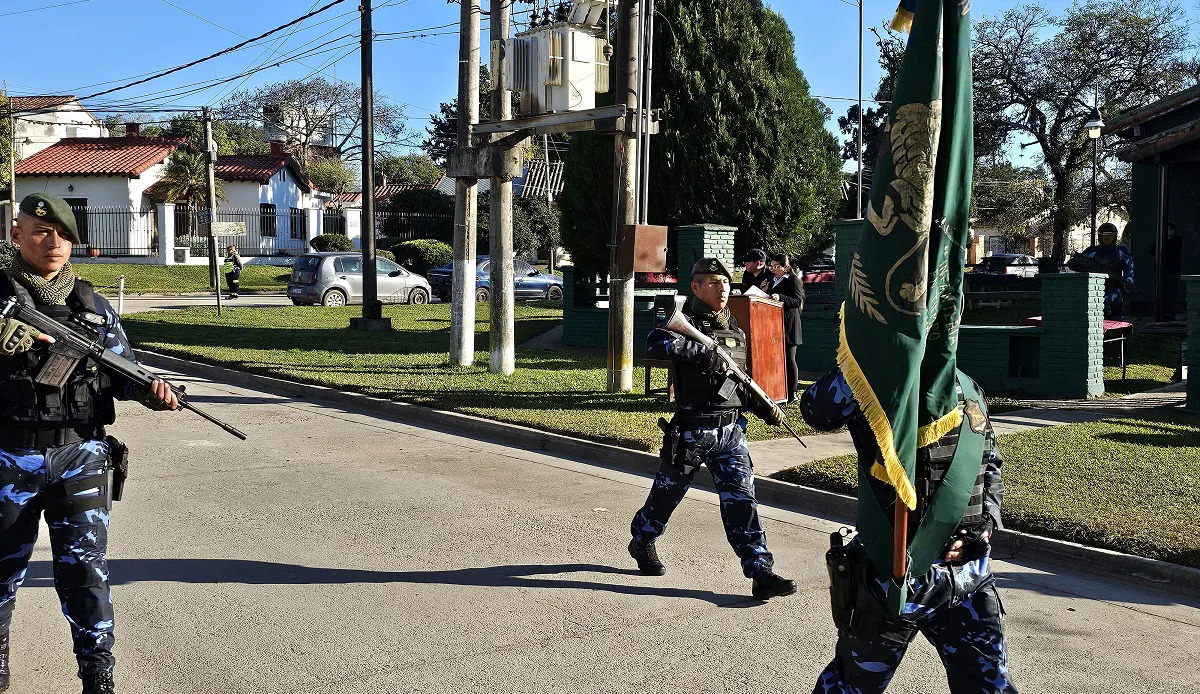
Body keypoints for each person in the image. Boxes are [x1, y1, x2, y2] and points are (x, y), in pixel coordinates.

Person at [0, 193, 181, 694]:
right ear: (17, 235)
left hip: (80, 458)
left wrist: (152, 392)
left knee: (86, 576)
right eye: (39, 230)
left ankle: (98, 677)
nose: (52, 241)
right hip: (8, 458)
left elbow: (121, 374)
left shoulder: (96, 308)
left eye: (61, 233)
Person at [800, 367, 1017, 694]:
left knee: (990, 688)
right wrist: (868, 357)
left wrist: (985, 523)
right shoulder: (872, 378)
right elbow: (815, 411)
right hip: (891, 578)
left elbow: (989, 464)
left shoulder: (968, 389)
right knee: (850, 688)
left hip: (967, 578)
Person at [628, 257, 796, 600]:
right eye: (714, 283)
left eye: (726, 284)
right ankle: (643, 540)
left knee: (742, 501)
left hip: (731, 432)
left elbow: (737, 382)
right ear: (696, 287)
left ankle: (760, 569)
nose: (723, 289)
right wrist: (699, 352)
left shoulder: (733, 329)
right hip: (692, 432)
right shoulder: (684, 322)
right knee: (666, 498)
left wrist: (763, 406)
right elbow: (654, 342)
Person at [766, 253, 804, 404]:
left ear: (786, 267)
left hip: (789, 324)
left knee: (789, 358)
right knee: (777, 359)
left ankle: (793, 392)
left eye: (777, 266)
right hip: (774, 323)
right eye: (772, 266)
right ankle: (779, 389)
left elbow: (797, 301)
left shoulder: (793, 280)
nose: (773, 269)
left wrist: (780, 297)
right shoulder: (772, 280)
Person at [1079, 222, 1134, 320]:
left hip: (1115, 289)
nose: (1107, 239)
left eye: (1110, 236)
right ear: (1100, 237)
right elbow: (1077, 266)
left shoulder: (1121, 252)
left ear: (1115, 236)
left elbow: (1129, 269)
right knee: (1095, 316)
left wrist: (1128, 282)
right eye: (1104, 236)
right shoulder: (1091, 252)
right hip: (1094, 290)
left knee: (1116, 316)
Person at [1162, 223, 1183, 319]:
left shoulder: (1177, 240)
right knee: (1164, 290)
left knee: (1172, 291)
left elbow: (1172, 251)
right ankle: (1165, 310)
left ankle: (1171, 311)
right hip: (1164, 270)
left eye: (1167, 229)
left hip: (1172, 270)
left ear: (1172, 230)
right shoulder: (1163, 239)